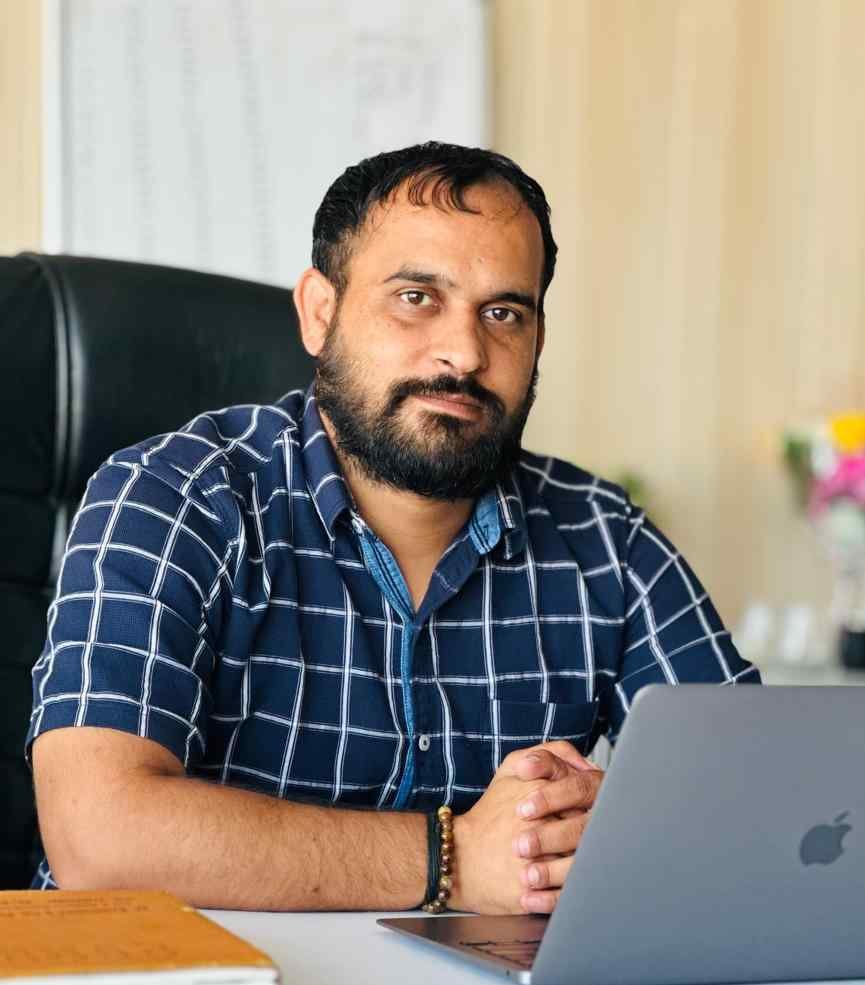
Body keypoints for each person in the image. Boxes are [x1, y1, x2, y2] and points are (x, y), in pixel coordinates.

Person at [28, 142, 759, 913]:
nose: (464, 353)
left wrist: (616, 827)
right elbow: (98, 836)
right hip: (192, 981)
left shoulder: (606, 540)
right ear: (320, 313)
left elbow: (759, 806)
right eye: (417, 297)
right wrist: (454, 860)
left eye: (504, 314)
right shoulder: (176, 497)